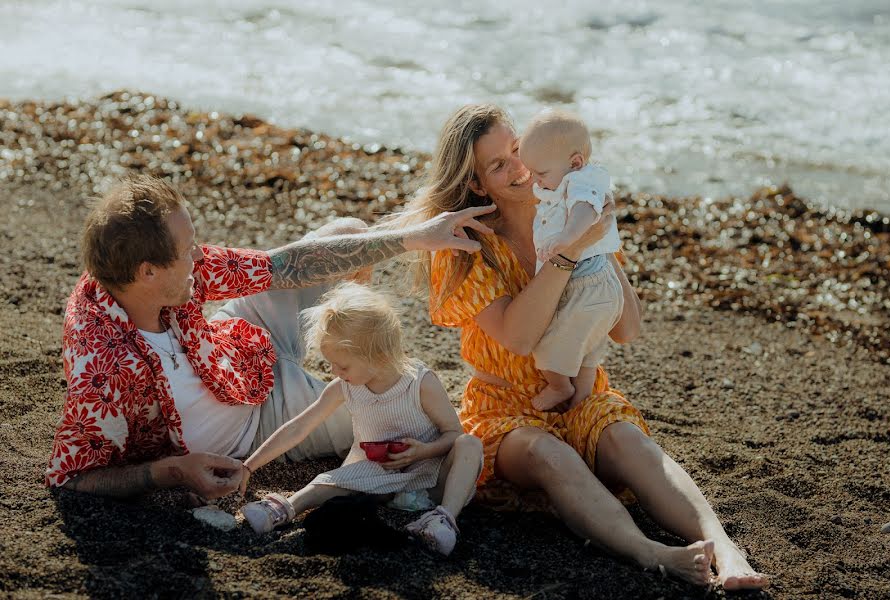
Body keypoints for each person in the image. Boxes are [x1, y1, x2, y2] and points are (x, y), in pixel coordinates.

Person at [398, 104, 769, 590]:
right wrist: (571, 252)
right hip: (504, 407)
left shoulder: (572, 210)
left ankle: (724, 547)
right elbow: (519, 336)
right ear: (476, 185)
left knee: (630, 441)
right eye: (499, 165)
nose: (520, 168)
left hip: (580, 391)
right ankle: (651, 552)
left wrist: (598, 241)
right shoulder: (464, 247)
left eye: (517, 150)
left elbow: (626, 329)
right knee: (551, 454)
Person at [45, 174, 494, 503]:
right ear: (148, 272)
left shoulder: (154, 271)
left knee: (351, 234)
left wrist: (416, 238)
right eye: (188, 251)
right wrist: (173, 471)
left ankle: (346, 357)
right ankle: (350, 383)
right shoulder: (101, 371)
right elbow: (73, 476)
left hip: (237, 343)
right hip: (262, 422)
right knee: (420, 430)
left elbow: (284, 265)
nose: (200, 256)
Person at [239, 283, 483, 557]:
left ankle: (443, 519)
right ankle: (285, 508)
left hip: (432, 479)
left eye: (342, 366)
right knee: (326, 481)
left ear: (378, 357)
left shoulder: (419, 383)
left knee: (470, 444)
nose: (334, 371)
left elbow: (452, 433)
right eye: (331, 364)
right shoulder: (343, 386)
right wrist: (249, 467)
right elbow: (299, 427)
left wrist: (423, 451)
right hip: (379, 478)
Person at [518, 109, 622, 411]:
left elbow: (586, 212)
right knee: (589, 352)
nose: (534, 180)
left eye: (540, 174)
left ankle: (559, 385)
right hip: (602, 284)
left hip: (584, 283)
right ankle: (580, 405)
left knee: (549, 344)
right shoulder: (572, 177)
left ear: (575, 162)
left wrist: (565, 239)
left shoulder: (580, 181)